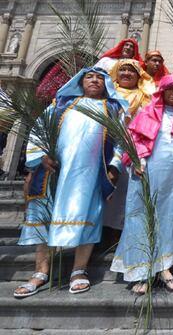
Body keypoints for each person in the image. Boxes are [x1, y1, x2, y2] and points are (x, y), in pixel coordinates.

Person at [14, 67, 127, 298]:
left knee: (88, 217)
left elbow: (121, 141)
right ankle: (40, 271)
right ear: (80, 82)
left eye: (99, 78)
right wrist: (41, 156)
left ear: (106, 84)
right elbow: (39, 130)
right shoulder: (61, 104)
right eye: (89, 77)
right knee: (45, 216)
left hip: (90, 174)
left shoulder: (113, 108)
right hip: (54, 171)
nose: (94, 80)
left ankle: (78, 270)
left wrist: (114, 167)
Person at [111, 75, 173, 295]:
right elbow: (135, 142)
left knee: (169, 220)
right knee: (142, 218)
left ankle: (164, 268)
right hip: (147, 174)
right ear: (162, 91)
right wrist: (137, 162)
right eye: (170, 89)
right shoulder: (147, 113)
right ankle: (142, 271)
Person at [103, 59, 155, 233]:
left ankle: (116, 233)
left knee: (123, 193)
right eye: (122, 69)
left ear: (139, 75)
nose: (126, 73)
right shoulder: (106, 94)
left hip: (131, 149)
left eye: (131, 70)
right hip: (104, 146)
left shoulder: (145, 98)